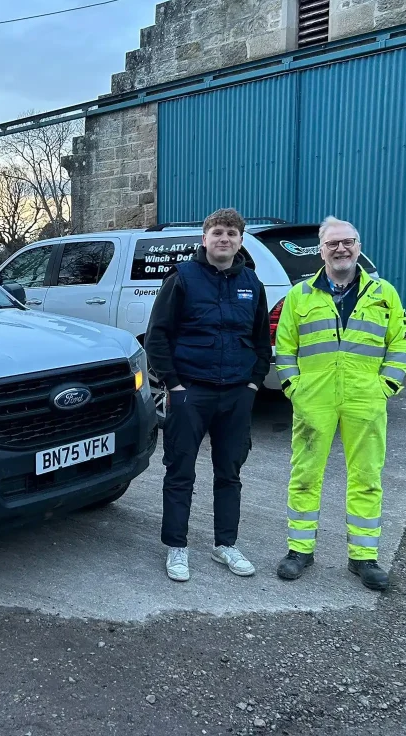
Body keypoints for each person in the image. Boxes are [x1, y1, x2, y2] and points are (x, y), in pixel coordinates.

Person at [273, 216, 406, 591]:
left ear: (359, 246)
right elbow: (284, 347)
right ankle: (299, 550)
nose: (341, 248)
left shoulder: (384, 293)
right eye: (333, 243)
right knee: (305, 475)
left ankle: (363, 558)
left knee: (367, 478)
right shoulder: (300, 295)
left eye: (347, 241)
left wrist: (387, 385)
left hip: (365, 399)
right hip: (314, 399)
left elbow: (400, 343)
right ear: (321, 250)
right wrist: (293, 386)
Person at [145, 208, 272, 583]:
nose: (225, 239)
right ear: (204, 238)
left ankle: (225, 544)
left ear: (240, 241)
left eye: (232, 233)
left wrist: (253, 384)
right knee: (180, 470)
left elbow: (262, 340)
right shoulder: (182, 279)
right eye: (218, 232)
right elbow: (157, 337)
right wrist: (175, 385)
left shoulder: (252, 283)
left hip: (236, 394)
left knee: (229, 472)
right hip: (191, 392)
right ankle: (177, 547)